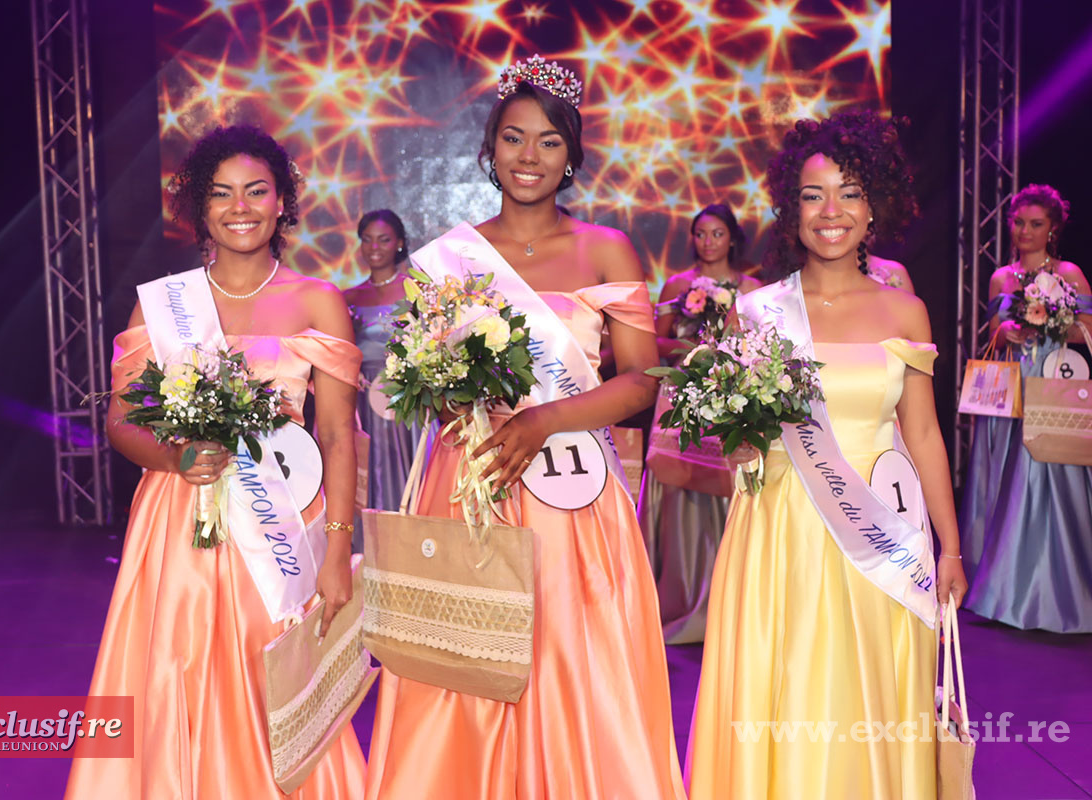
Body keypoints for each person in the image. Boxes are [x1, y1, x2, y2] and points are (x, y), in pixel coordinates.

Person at [363, 56, 685, 799]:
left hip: (572, 485)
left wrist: (545, 417)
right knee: (463, 652)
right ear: (489, 148)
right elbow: (420, 377)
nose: (529, 156)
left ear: (571, 154)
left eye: (547, 141)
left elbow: (641, 381)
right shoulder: (447, 258)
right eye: (513, 138)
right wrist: (453, 399)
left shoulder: (606, 248)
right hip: (473, 476)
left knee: (573, 652)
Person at [65, 125, 366, 799]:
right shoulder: (164, 304)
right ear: (198, 208)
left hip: (282, 523)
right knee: (177, 676)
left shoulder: (318, 300)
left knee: (281, 690)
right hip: (180, 521)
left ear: (283, 201)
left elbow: (340, 437)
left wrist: (338, 552)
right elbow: (120, 423)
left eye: (257, 191)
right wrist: (176, 456)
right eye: (221, 194)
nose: (240, 207)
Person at [686, 111, 967, 798]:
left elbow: (924, 434)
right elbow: (735, 443)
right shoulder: (756, 311)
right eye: (814, 196)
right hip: (779, 531)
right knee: (782, 691)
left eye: (849, 193)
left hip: (879, 536)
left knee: (868, 695)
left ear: (876, 207)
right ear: (792, 209)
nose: (831, 212)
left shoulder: (906, 312)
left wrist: (951, 548)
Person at [960, 183, 1092, 633]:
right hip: (1012, 387)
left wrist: (1054, 322)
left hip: (1052, 380)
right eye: (1018, 222)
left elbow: (1088, 330)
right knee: (1007, 477)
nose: (1025, 231)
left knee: (1052, 472)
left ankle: (1058, 586)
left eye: (1036, 224)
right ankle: (1000, 583)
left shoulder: (1069, 273)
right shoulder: (1003, 276)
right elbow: (995, 330)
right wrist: (1011, 330)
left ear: (1053, 228)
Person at [639, 203, 760, 643]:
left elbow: (761, 343)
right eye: (701, 234)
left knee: (730, 486)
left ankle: (730, 599)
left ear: (732, 238)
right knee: (676, 487)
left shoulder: (753, 287)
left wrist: (723, 354)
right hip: (681, 390)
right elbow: (654, 339)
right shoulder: (676, 284)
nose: (708, 242)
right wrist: (692, 348)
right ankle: (677, 597)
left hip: (728, 393)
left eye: (717, 233)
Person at [344, 210, 427, 530]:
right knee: (366, 473)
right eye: (366, 240)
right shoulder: (347, 297)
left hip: (405, 401)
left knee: (407, 474)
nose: (374, 247)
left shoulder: (417, 292)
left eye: (383, 239)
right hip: (363, 403)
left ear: (400, 243)